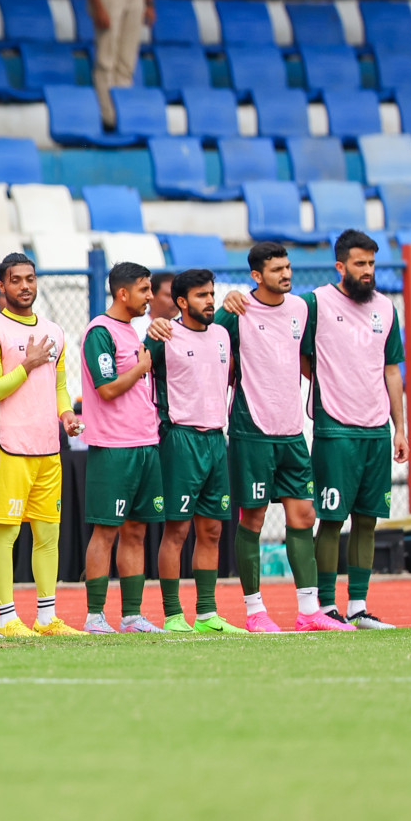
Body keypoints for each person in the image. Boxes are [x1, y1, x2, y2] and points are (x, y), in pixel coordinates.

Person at [215, 243, 326, 632]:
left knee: (304, 515)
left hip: (293, 431)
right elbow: (208, 345)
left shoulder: (301, 308)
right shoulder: (235, 311)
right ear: (256, 276)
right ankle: (255, 611)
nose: (286, 274)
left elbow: (308, 359)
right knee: (254, 518)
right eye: (277, 269)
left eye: (288, 266)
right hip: (252, 430)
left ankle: (310, 612)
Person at [303, 230, 406, 629]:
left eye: (373, 264)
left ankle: (357, 607)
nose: (368, 271)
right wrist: (327, 383)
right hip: (335, 430)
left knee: (367, 519)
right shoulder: (316, 303)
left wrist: (399, 429)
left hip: (377, 431)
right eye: (360, 264)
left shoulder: (386, 308)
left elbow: (391, 370)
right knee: (331, 518)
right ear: (340, 266)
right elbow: (298, 352)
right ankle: (325, 606)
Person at [0, 253, 84, 637]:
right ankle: (6, 618)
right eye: (16, 280)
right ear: (2, 286)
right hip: (9, 446)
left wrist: (66, 414)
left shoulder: (54, 332)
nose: (25, 286)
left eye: (30, 278)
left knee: (47, 535)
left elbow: (58, 386)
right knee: (5, 533)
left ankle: (46, 617)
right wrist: (29, 363)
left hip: (48, 449)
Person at [146, 269, 246, 634]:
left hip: (216, 439)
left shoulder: (221, 333)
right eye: (202, 295)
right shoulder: (164, 335)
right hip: (180, 439)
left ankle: (207, 614)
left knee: (213, 531)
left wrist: (237, 296)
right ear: (182, 302)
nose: (210, 301)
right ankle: (173, 615)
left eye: (213, 294)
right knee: (177, 530)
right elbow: (138, 366)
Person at [80, 261, 169, 634]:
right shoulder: (99, 332)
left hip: (146, 444)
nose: (150, 297)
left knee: (137, 531)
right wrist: (140, 367)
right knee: (106, 531)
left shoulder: (132, 333)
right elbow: (107, 388)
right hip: (114, 448)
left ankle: (132, 614)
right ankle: (94, 615)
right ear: (123, 293)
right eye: (145, 289)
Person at [80, 0, 154, 128]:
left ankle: (124, 113)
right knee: (106, 58)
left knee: (127, 60)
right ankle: (109, 117)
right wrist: (97, 5)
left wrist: (148, 0)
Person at [132, 271, 176, 340]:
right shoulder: (137, 331)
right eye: (168, 295)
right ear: (151, 297)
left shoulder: (182, 327)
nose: (174, 301)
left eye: (176, 296)